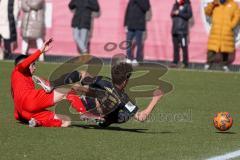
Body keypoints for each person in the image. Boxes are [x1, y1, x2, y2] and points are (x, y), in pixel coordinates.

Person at [34, 62, 163, 128]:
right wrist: (155, 99)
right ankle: (99, 117)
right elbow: (141, 117)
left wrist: (80, 88)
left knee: (84, 75)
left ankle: (52, 84)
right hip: (99, 111)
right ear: (125, 81)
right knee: (121, 110)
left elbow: (84, 84)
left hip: (87, 100)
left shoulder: (104, 80)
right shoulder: (124, 99)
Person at [11, 38, 95, 127]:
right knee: (67, 90)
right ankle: (84, 112)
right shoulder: (17, 71)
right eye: (33, 64)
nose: (35, 67)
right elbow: (24, 63)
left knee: (66, 121)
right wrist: (40, 51)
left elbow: (17, 114)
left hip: (25, 112)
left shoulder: (19, 80)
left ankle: (37, 122)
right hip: (30, 100)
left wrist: (21, 116)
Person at [204, 0, 239, 71]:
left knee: (225, 49)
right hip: (216, 31)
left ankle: (224, 65)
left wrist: (231, 26)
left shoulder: (233, 5)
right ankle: (208, 64)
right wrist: (212, 4)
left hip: (227, 31)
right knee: (212, 48)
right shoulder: (215, 4)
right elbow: (207, 12)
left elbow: (237, 16)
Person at [124, 0, 151, 65]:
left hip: (140, 25)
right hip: (130, 25)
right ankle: (129, 58)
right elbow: (127, 11)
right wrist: (125, 24)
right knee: (128, 42)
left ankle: (138, 59)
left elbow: (146, 7)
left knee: (139, 44)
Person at [170, 0, 192, 68]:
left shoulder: (187, 5)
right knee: (175, 47)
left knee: (184, 47)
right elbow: (171, 14)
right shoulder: (175, 5)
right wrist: (173, 13)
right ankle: (175, 61)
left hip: (182, 31)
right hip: (175, 30)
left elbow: (189, 15)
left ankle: (185, 62)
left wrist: (179, 13)